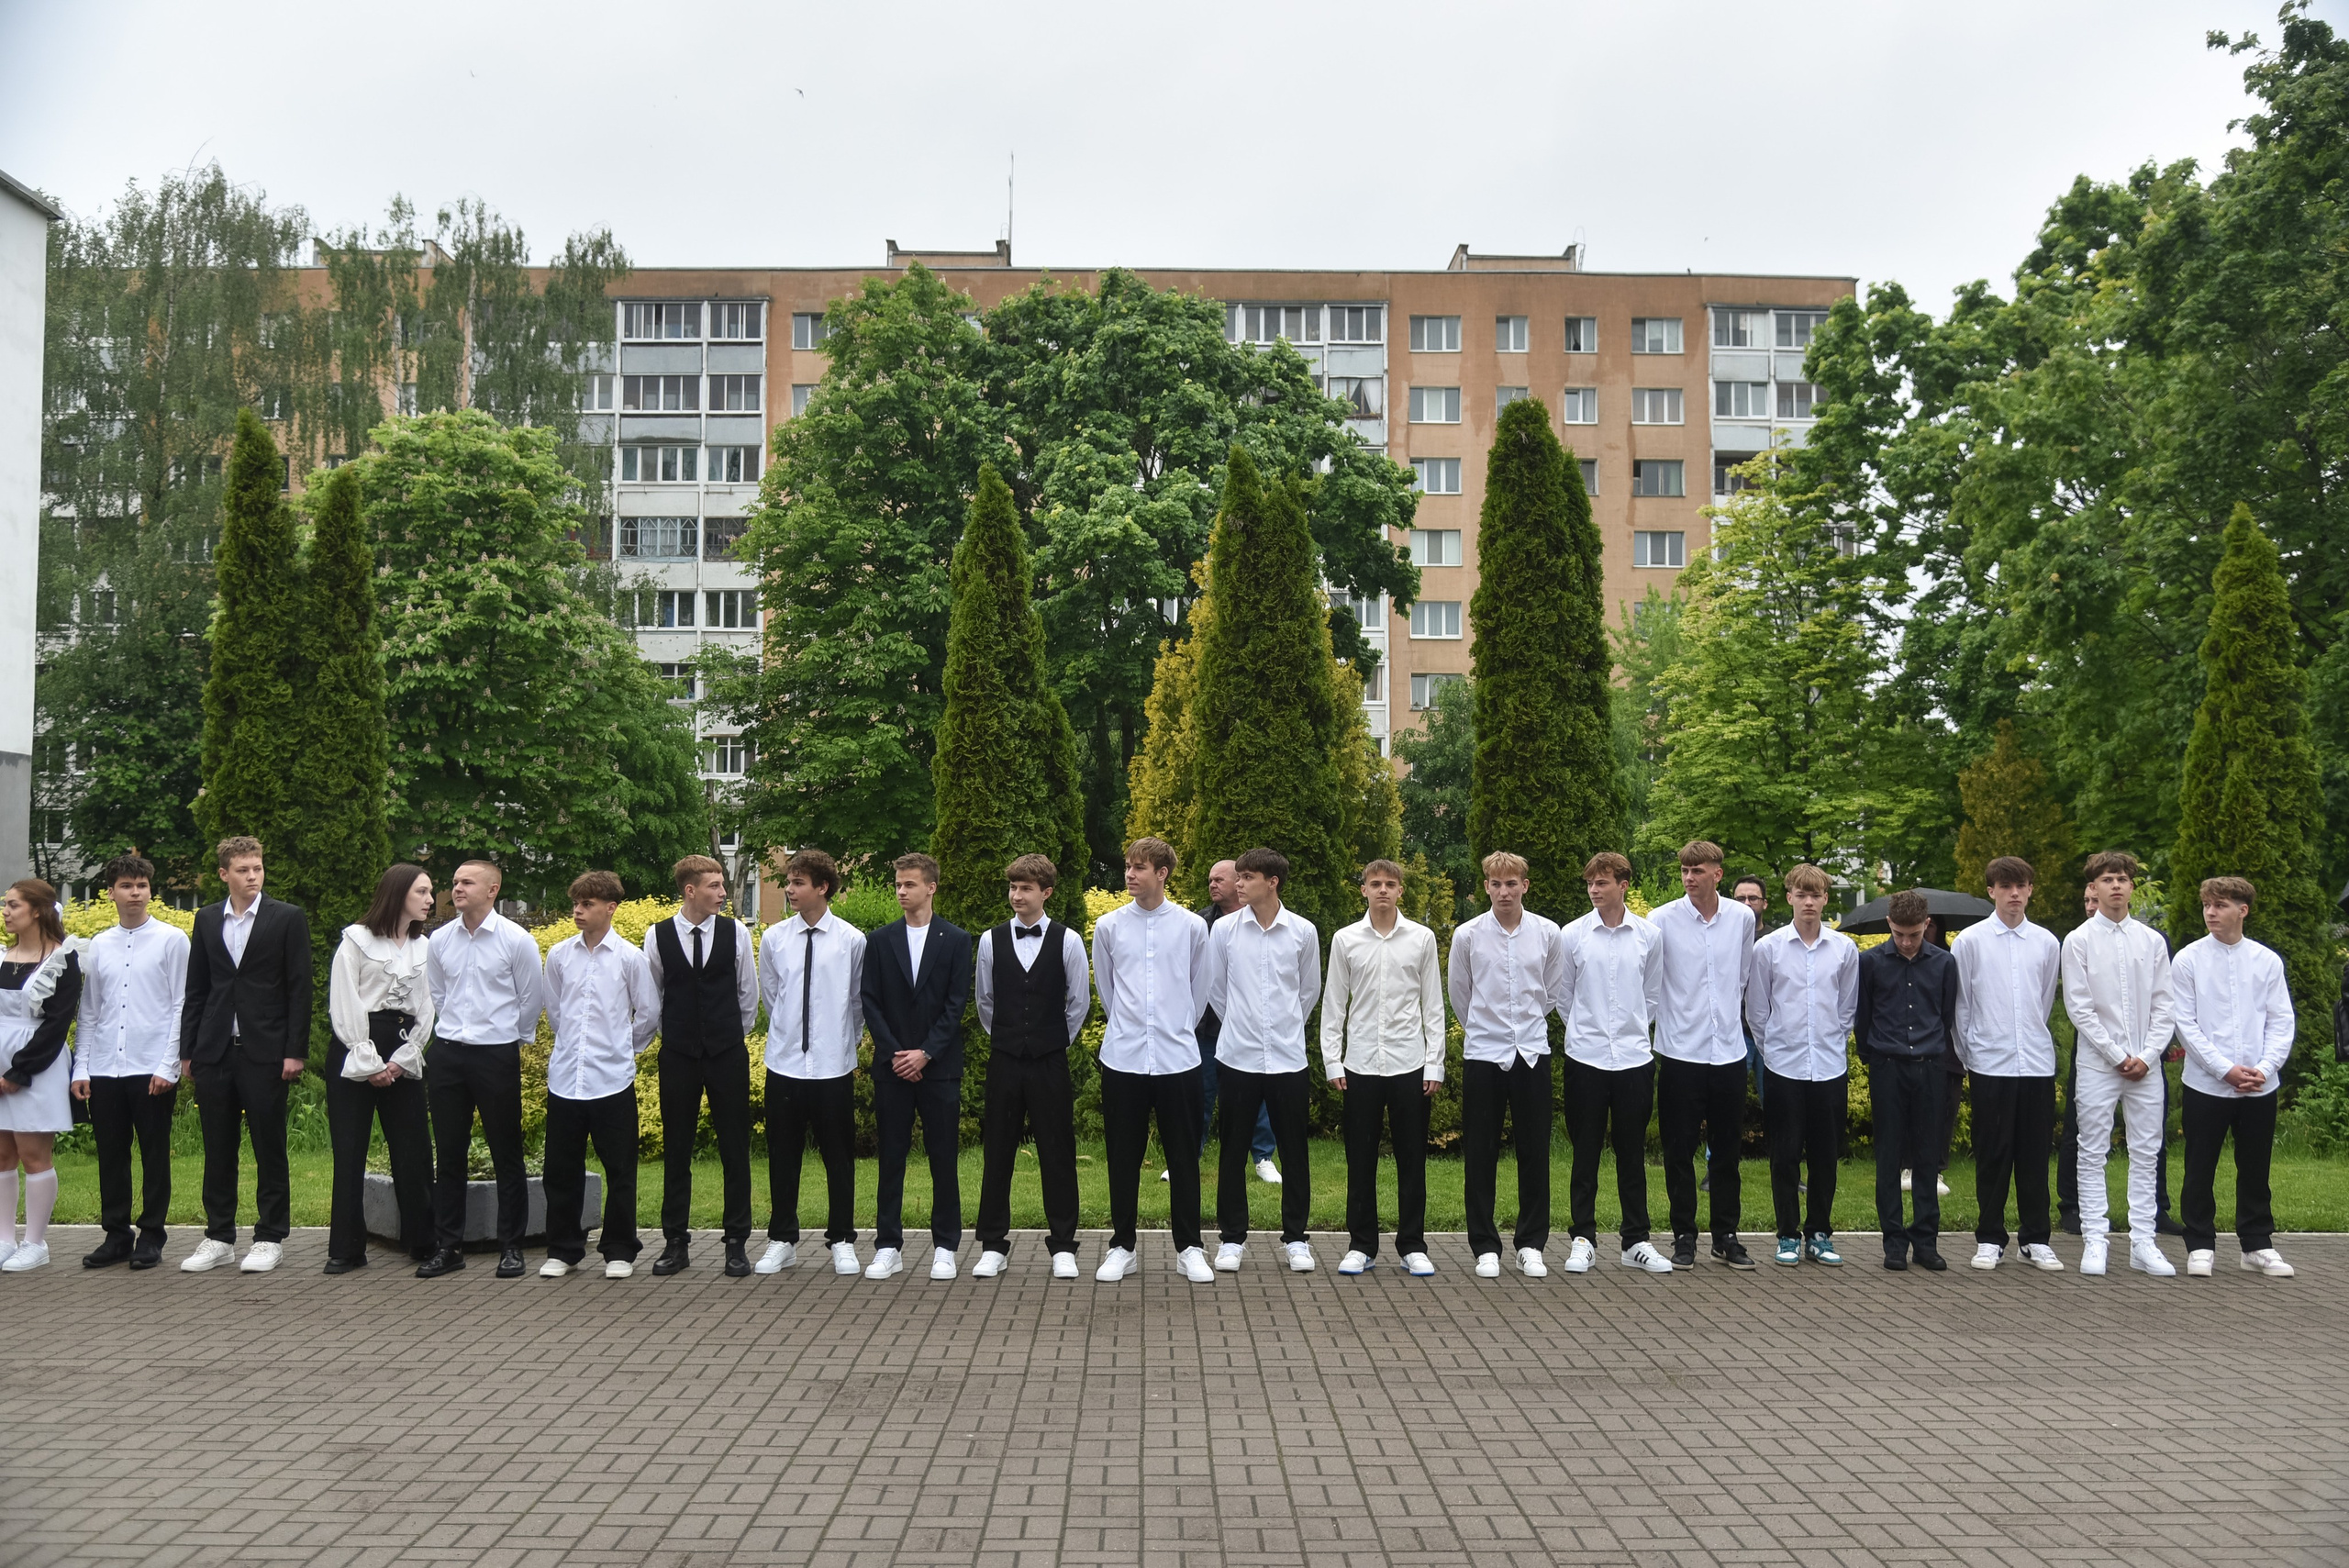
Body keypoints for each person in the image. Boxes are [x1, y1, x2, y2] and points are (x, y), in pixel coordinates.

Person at [178, 836, 311, 1275]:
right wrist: (188, 1051)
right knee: (218, 1147)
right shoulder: (207, 918)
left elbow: (299, 989)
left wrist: (295, 1052)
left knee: (269, 1145)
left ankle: (270, 1236)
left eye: (257, 868)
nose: (252, 876)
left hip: (266, 1053)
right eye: (243, 870)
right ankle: (218, 1236)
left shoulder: (287, 918)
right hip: (214, 1051)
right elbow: (197, 989)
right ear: (224, 874)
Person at [1092, 837, 1215, 1284]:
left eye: (1139, 867)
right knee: (1122, 1156)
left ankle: (1190, 1247)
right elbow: (1108, 990)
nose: (1129, 874)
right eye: (1127, 865)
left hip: (1178, 1060)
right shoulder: (1108, 927)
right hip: (1122, 1059)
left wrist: (1174, 1027)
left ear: (1162, 873)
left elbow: (1200, 992)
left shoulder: (1191, 928)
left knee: (1183, 1157)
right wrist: (1130, 1027)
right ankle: (1122, 1245)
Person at [417, 859, 543, 1281]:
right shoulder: (439, 940)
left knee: (505, 1152)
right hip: (449, 1054)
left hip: (495, 1054)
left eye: (467, 882)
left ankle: (512, 1246)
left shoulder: (516, 940)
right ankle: (448, 1246)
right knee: (449, 1154)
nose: (457, 888)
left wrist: (510, 1039)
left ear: (492, 890)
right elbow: (438, 992)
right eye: (454, 882)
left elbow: (532, 999)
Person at [1321, 858, 1443, 1277]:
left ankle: (1412, 1245)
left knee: (1412, 1158)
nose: (1383, 890)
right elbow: (1335, 1003)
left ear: (1401, 891)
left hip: (1410, 1063)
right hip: (1360, 1066)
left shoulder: (1422, 938)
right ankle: (1362, 1244)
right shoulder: (1346, 940)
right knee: (1361, 1158)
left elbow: (1433, 1005)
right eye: (1375, 884)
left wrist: (1435, 1064)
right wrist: (1333, 1059)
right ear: (1364, 890)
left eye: (1391, 884)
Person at [1448, 851, 1567, 1279]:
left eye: (1511, 883)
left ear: (1524, 886)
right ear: (1485, 887)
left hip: (1532, 1053)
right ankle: (1484, 1246)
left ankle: (1531, 1244)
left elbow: (1550, 992)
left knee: (1534, 1152)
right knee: (1480, 1152)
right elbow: (1461, 995)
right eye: (1496, 884)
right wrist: (1486, 1027)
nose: (1504, 891)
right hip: (1484, 1054)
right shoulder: (1467, 935)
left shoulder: (1548, 934)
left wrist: (1523, 1024)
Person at [973, 853, 1091, 1279]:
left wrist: (1049, 1042)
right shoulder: (990, 941)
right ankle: (992, 1245)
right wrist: (1009, 1038)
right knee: (998, 1151)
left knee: (1057, 1152)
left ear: (1046, 892)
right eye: (1013, 887)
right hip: (1005, 1061)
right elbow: (985, 1001)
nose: (1017, 895)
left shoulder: (1069, 940)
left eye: (1025, 888)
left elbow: (1078, 1003)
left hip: (1049, 1062)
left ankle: (1063, 1245)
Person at [2171, 875, 2296, 1279]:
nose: (2211, 912)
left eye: (2220, 905)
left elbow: (2281, 1021)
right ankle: (2200, 1244)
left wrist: (2264, 1068)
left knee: (2256, 1167)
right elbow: (2185, 1024)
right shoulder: (2188, 959)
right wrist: (2223, 1068)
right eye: (2207, 905)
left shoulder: (2266, 961)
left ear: (2242, 910)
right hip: (2207, 1084)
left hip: (2259, 1085)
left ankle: (2257, 1245)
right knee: (2200, 1165)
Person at [1205, 847, 1322, 1273]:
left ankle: (1296, 1239)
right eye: (1238, 876)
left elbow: (1308, 991)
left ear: (1272, 882)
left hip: (1289, 1059)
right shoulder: (1224, 931)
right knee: (1232, 1149)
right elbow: (1215, 990)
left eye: (1247, 877)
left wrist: (1283, 1028)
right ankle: (1232, 1239)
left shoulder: (1303, 932)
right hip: (1237, 1056)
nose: (1238, 883)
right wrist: (1243, 1024)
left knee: (1294, 1150)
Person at [2061, 851, 2176, 1277]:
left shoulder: (2151, 941)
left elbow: (2166, 1005)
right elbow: (2079, 1006)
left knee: (2147, 1152)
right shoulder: (2077, 940)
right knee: (2092, 1152)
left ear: (2131, 886)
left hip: (2145, 1066)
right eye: (2107, 879)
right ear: (2094, 887)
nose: (2116, 886)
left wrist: (2146, 1057)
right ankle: (2096, 1238)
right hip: (2098, 1064)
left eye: (2123, 879)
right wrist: (2115, 1055)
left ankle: (2143, 1241)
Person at [643, 854, 760, 1278]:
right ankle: (676, 1242)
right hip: (677, 1055)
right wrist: (675, 1036)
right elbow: (653, 996)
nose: (723, 893)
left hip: (727, 1053)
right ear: (690, 890)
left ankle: (736, 1243)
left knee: (734, 1148)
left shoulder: (736, 934)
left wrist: (728, 1036)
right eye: (714, 886)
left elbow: (748, 994)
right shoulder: (657, 936)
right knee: (677, 1149)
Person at [860, 851, 974, 1282]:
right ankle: (888, 1245)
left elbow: (956, 1004)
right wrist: (896, 1054)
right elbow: (870, 1001)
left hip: (939, 1068)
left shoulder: (957, 940)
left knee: (943, 1158)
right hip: (892, 1068)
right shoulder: (880, 940)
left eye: (909, 884)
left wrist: (925, 1052)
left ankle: (945, 1245)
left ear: (931, 887)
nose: (901, 891)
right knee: (891, 1159)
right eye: (897, 885)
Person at [70, 853, 186, 1272]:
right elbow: (90, 1011)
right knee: (111, 1155)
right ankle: (116, 1234)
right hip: (105, 1067)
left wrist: (168, 1064)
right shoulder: (100, 944)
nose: (134, 893)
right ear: (112, 892)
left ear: (150, 890)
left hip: (150, 1066)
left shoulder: (173, 940)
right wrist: (81, 1067)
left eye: (141, 886)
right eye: (126, 886)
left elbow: (180, 1005)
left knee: (154, 1154)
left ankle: (152, 1234)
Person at [1558, 851, 1672, 1276]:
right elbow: (1563, 996)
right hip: (1584, 1058)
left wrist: (1628, 1030)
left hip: (1633, 1060)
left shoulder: (1649, 935)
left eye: (1602, 882)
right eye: (1590, 882)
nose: (1594, 889)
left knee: (1631, 1152)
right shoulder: (1572, 935)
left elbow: (1653, 995)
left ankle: (1636, 1241)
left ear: (1623, 885)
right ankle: (1583, 1239)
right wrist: (1589, 1031)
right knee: (1584, 1152)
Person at [540, 870, 658, 1279]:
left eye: (587, 904)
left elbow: (647, 1014)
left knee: (620, 1169)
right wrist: (574, 1047)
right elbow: (555, 1010)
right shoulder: (559, 956)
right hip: (565, 1080)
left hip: (612, 1081)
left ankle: (620, 1250)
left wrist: (623, 1049)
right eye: (575, 903)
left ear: (610, 908)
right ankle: (563, 1248)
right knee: (559, 1169)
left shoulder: (630, 958)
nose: (578, 911)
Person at [756, 848, 867, 1277]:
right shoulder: (774, 938)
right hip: (784, 1064)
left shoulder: (852, 940)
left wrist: (841, 1045)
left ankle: (842, 1239)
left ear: (822, 887)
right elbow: (771, 994)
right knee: (782, 1156)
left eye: (798, 883)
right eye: (789, 882)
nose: (789, 890)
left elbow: (857, 1002)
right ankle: (782, 1239)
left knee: (839, 1156)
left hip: (833, 1067)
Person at [322, 863, 437, 1273]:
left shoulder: (427, 947)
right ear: (398, 892)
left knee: (414, 1150)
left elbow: (427, 1005)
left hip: (403, 1048)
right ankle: (347, 1250)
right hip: (357, 1043)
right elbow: (345, 999)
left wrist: (403, 1058)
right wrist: (367, 1058)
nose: (430, 900)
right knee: (349, 1151)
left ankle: (424, 1243)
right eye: (422, 892)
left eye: (430, 892)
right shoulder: (356, 939)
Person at [1953, 856, 2064, 1272]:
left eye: (2021, 886)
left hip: (2035, 1062)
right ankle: (1990, 1237)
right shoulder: (1970, 941)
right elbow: (1962, 1006)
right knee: (1993, 1154)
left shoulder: (2047, 942)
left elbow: (2043, 1002)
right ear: (1991, 891)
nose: (2014, 893)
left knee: (2034, 1154)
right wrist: (1972, 1054)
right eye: (2005, 886)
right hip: (1988, 1063)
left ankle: (2035, 1239)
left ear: (2031, 889)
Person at [1652, 840, 1758, 1271]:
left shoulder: (1742, 918)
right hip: (1680, 1051)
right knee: (1679, 1150)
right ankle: (1683, 1236)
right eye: (1684, 870)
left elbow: (1743, 974)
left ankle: (1726, 1236)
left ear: (1718, 873)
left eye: (1698, 870)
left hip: (1729, 1051)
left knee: (1727, 1150)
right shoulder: (1661, 920)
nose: (1689, 877)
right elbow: (1652, 983)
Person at [1745, 862, 1858, 1268]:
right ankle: (1788, 1234)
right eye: (1801, 894)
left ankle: (1820, 1233)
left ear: (1826, 899)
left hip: (1829, 1066)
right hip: (1784, 1067)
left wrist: (1828, 1041)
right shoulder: (1769, 948)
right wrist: (1775, 1049)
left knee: (1826, 1155)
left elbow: (1847, 1009)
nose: (1809, 902)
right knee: (1785, 1154)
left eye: (1816, 895)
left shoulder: (1844, 949)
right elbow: (1757, 1011)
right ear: (1789, 897)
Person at [1856, 889, 1959, 1272]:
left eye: (1914, 934)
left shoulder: (1944, 963)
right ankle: (1894, 1241)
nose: (1906, 941)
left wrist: (1932, 1050)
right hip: (1887, 1063)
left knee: (1928, 1154)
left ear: (1926, 926)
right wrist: (1874, 1057)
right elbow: (1862, 1015)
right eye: (1899, 933)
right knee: (1888, 1153)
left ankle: (1926, 1239)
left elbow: (1946, 1013)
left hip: (1931, 1064)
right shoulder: (1870, 962)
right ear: (1889, 925)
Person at [1173, 857, 1280, 1185]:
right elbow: (1198, 980)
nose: (1212, 885)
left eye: (1220, 879)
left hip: (1251, 1030)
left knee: (1258, 1099)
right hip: (1207, 1028)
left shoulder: (1265, 924)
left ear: (1240, 882)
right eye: (1210, 879)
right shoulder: (1200, 924)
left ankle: (1263, 1157)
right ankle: (1188, 1154)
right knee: (1199, 1093)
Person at [0, 878, 82, 1273]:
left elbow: (55, 1026)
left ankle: (35, 1242)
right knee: (1, 1153)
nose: (6, 911)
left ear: (36, 910)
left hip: (37, 1065)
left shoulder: (63, 960)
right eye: (5, 905)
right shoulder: (2, 956)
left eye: (13, 905)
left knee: (33, 1154)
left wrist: (18, 1071)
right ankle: (4, 1239)